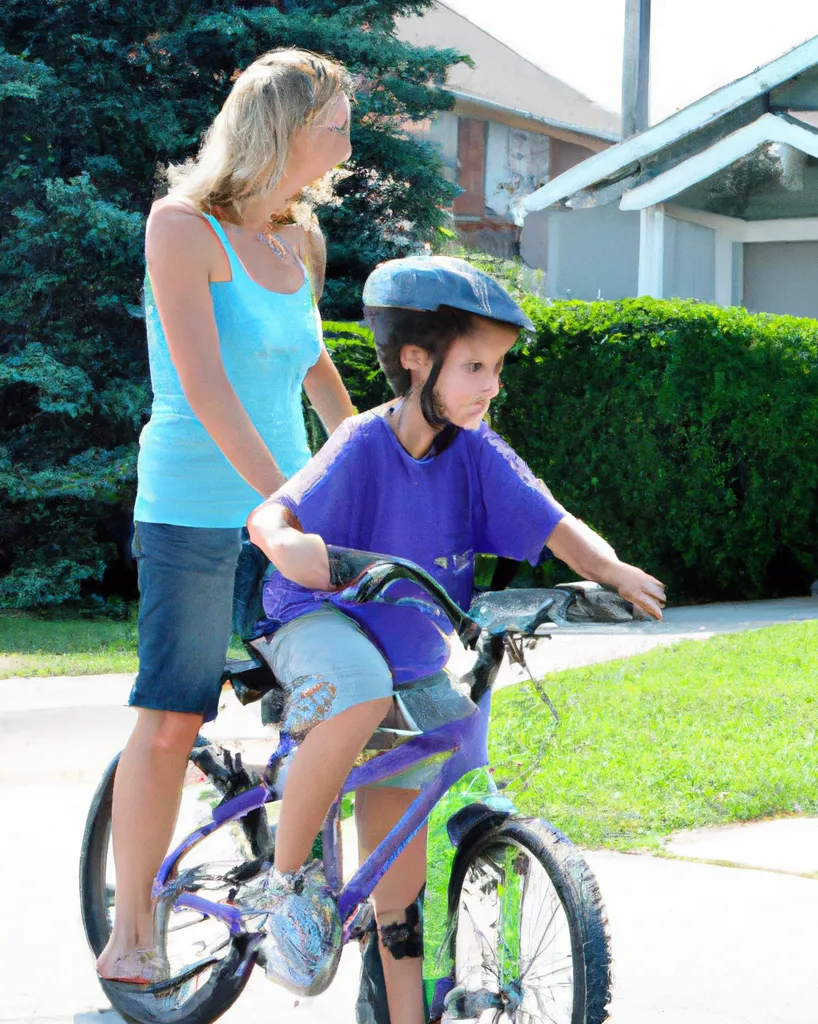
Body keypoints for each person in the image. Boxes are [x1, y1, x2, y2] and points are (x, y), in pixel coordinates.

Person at [245, 255, 667, 1023]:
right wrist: (291, 551)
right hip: (319, 620)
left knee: (399, 894)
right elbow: (272, 516)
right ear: (415, 357)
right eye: (475, 365)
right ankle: (285, 887)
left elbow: (554, 522)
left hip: (407, 658)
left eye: (498, 368)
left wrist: (612, 570)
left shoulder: (477, 454)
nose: (490, 385)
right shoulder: (363, 442)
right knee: (362, 690)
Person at [96, 48, 357, 985]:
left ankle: (300, 891)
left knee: (339, 698)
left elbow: (320, 380)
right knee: (171, 718)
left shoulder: (301, 242)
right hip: (199, 514)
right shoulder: (181, 227)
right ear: (282, 124)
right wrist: (278, 504)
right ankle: (131, 933)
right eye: (335, 118)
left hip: (284, 514)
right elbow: (205, 387)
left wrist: (385, 469)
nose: (347, 136)